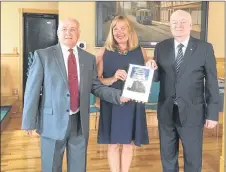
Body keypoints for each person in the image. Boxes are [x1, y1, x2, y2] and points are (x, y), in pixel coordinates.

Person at [21, 18, 130, 172]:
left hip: (79, 123)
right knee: (51, 167)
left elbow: (96, 86)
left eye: (73, 29)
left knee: (78, 168)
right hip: (51, 123)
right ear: (58, 33)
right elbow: (32, 90)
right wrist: (28, 121)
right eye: (64, 29)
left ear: (78, 33)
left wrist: (118, 95)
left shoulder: (88, 58)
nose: (68, 33)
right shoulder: (43, 56)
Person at [148, 10, 220, 172]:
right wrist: (151, 68)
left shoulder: (204, 48)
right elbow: (157, 77)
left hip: (192, 113)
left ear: (190, 25)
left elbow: (211, 82)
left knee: (193, 159)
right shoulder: (161, 47)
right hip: (166, 112)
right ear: (170, 25)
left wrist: (213, 114)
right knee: (167, 157)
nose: (178, 26)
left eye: (182, 22)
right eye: (174, 22)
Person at [96, 15, 157, 172]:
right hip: (112, 104)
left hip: (133, 104)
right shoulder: (103, 52)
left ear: (130, 31)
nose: (119, 32)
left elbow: (148, 75)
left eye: (123, 28)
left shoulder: (141, 51)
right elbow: (98, 82)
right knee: (113, 144)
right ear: (111, 32)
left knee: (129, 144)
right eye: (115, 28)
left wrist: (151, 63)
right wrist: (113, 78)